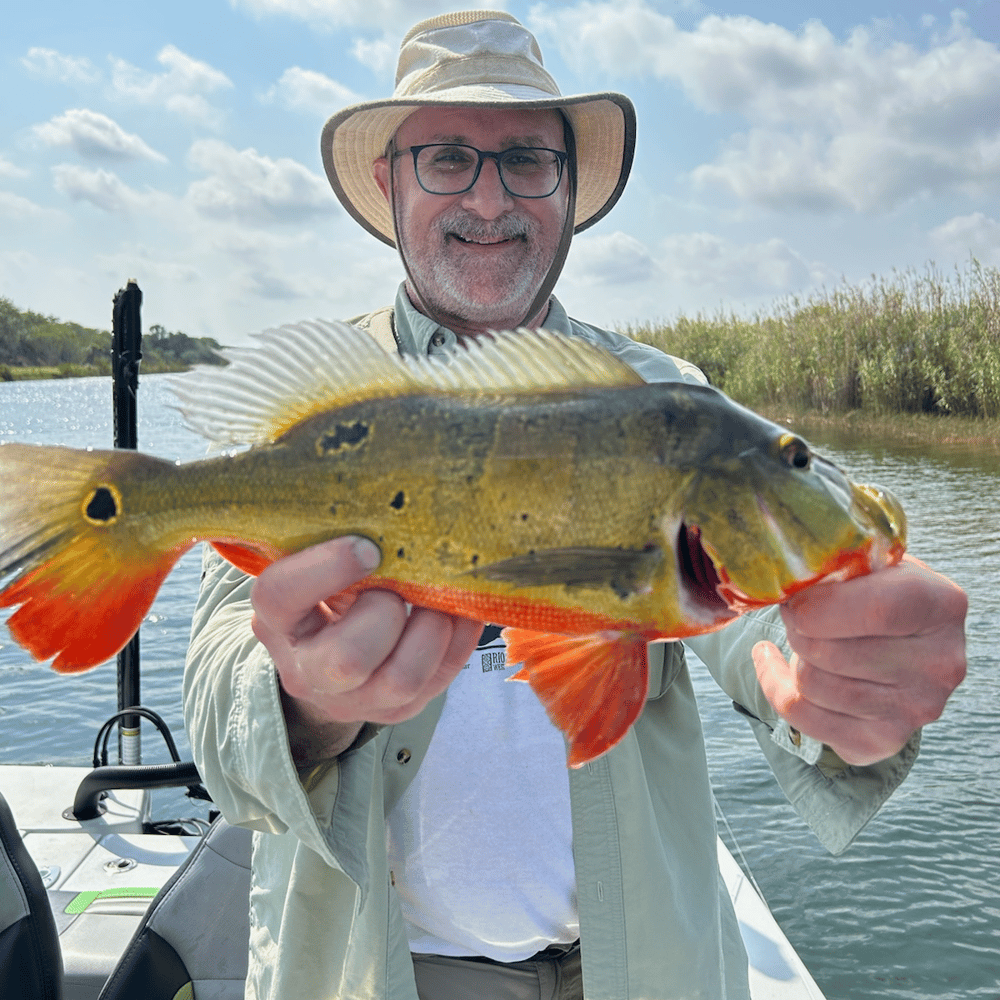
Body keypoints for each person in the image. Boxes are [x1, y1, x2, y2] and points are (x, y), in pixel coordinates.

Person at [183, 12, 967, 1000]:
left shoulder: (667, 399)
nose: (488, 196)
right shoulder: (320, 417)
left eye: (525, 160)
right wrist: (304, 703)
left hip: (639, 969)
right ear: (388, 182)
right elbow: (217, 708)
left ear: (566, 188)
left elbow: (760, 625)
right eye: (448, 157)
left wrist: (846, 678)